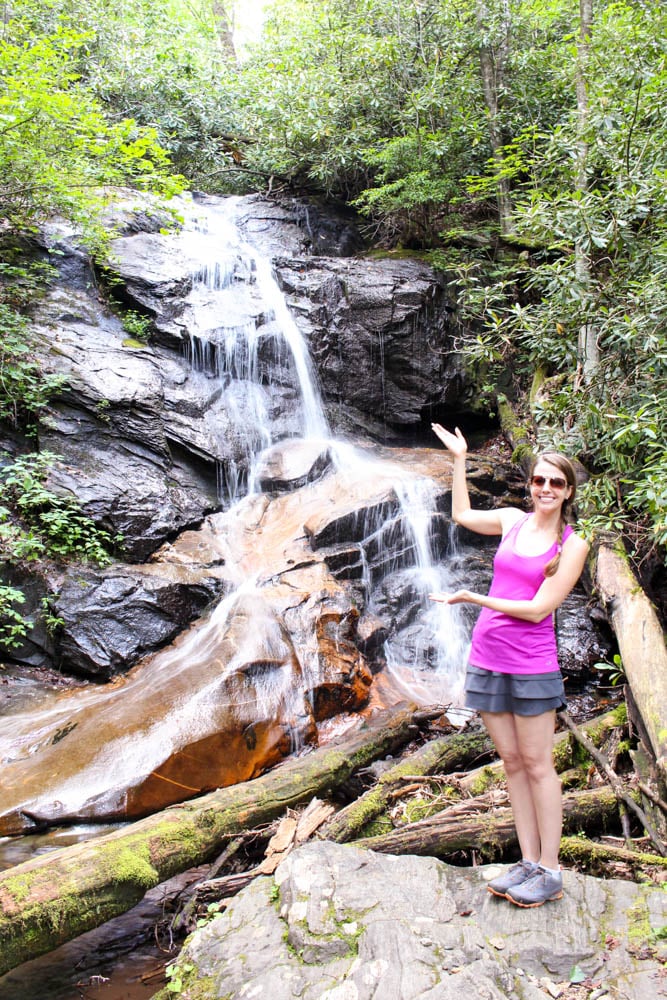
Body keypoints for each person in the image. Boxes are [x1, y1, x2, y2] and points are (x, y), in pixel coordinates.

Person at [429, 424, 589, 908]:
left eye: (555, 484)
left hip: (532, 665)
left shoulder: (572, 544)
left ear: (567, 492)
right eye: (539, 480)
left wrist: (473, 596)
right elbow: (460, 514)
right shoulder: (511, 521)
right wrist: (460, 458)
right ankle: (528, 860)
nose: (545, 489)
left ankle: (552, 869)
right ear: (531, 484)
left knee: (540, 765)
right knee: (513, 763)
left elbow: (540, 608)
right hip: (487, 657)